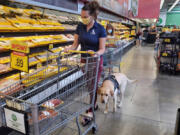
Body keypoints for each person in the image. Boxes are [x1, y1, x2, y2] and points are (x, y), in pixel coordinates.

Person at [64, 1, 106, 122]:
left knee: (93, 86)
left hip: (95, 61)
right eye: (81, 17)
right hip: (84, 61)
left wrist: (96, 53)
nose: (83, 19)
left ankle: (90, 111)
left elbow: (103, 48)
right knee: (89, 85)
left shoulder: (100, 29)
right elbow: (75, 44)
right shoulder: (80, 26)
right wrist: (68, 49)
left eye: (85, 17)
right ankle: (94, 104)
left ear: (92, 16)